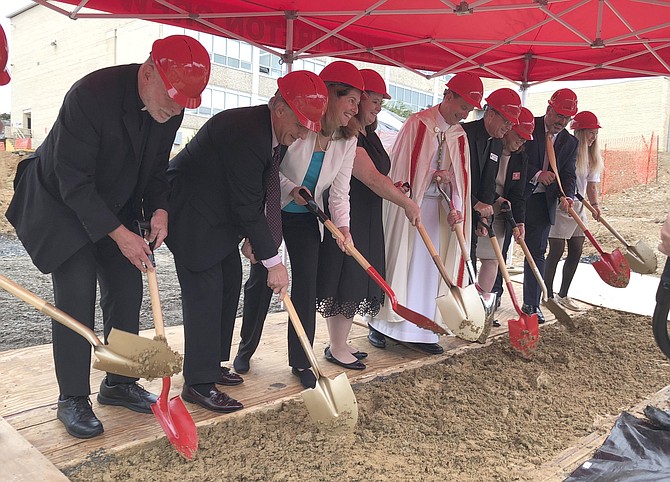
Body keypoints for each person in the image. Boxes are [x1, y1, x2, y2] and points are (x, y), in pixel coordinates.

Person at [5, 35, 210, 439]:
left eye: (183, 104)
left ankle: (118, 382)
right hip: (61, 203)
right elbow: (74, 182)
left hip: (114, 200)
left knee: (127, 288)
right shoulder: (91, 94)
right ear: (148, 72)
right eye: (171, 100)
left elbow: (155, 170)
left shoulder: (171, 106)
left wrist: (160, 210)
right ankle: (72, 397)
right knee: (76, 296)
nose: (175, 111)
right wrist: (119, 234)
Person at [165, 71, 328, 410]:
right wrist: (273, 261)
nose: (300, 136)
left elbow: (260, 190)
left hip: (220, 217)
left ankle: (212, 365)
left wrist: (259, 237)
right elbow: (246, 201)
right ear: (280, 108)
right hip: (192, 216)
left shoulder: (272, 133)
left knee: (228, 283)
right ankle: (197, 382)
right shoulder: (245, 131)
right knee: (205, 295)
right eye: (300, 126)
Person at [368, 72, 484, 354]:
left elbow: (463, 181)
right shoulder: (417, 124)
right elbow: (402, 168)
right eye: (462, 106)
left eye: (469, 110)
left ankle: (421, 332)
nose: (464, 114)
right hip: (410, 208)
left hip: (438, 213)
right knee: (401, 261)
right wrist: (432, 174)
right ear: (448, 96)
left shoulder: (459, 135)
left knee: (431, 271)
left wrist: (454, 199)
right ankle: (382, 325)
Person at [315, 69, 421, 369]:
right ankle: (336, 346)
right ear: (356, 100)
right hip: (349, 214)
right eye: (372, 101)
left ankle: (342, 341)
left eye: (379, 103)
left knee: (358, 277)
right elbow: (372, 179)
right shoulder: (349, 137)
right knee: (346, 278)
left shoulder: (368, 135)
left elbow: (380, 179)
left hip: (369, 215)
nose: (377, 108)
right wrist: (407, 203)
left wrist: (396, 189)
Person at [279, 61, 364, 388]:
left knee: (305, 286)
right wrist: (290, 189)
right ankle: (244, 351)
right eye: (351, 100)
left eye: (358, 102)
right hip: (275, 207)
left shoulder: (348, 139)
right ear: (329, 94)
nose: (356, 109)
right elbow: (271, 167)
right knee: (264, 281)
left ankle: (302, 362)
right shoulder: (301, 123)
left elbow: (340, 191)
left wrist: (343, 228)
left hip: (309, 217)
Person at [521, 89, 578, 323]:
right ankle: (492, 301)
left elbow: (568, 173)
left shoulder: (569, 142)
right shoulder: (528, 126)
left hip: (543, 204)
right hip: (516, 196)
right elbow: (516, 157)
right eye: (558, 116)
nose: (561, 122)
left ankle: (532, 305)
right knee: (500, 251)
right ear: (548, 110)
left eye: (566, 118)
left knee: (536, 253)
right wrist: (536, 173)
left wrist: (568, 196)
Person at [543, 111, 604, 311]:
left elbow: (592, 185)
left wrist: (595, 206)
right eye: (589, 133)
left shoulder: (593, 156)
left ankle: (564, 294)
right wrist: (563, 196)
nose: (593, 137)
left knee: (577, 249)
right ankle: (548, 294)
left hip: (579, 206)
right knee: (557, 250)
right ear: (578, 132)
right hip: (562, 204)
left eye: (595, 133)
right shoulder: (569, 148)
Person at [479, 107, 534, 311]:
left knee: (493, 260)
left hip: (502, 214)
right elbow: (481, 181)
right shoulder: (489, 147)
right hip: (479, 208)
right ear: (509, 127)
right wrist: (494, 198)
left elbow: (518, 194)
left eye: (525, 139)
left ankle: (483, 308)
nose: (522, 142)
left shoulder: (521, 158)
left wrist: (520, 221)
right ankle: (466, 306)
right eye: (519, 136)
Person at [462, 88, 522, 262]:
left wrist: (484, 216)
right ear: (490, 114)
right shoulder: (463, 135)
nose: (509, 127)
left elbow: (489, 183)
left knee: (469, 266)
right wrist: (475, 204)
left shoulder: (496, 143)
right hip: (455, 214)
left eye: (512, 124)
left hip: (474, 218)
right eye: (506, 121)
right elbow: (457, 180)